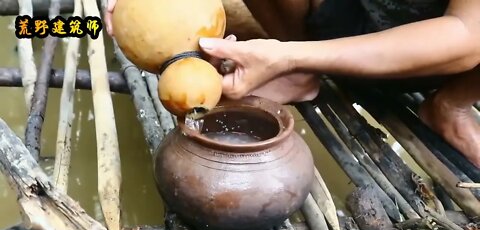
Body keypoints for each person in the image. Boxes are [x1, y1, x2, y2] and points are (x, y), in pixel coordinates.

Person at [104, 0, 480, 168]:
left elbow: (466, 34)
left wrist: (291, 55)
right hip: (340, 15)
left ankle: (452, 105)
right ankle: (299, 71)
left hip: (446, 58)